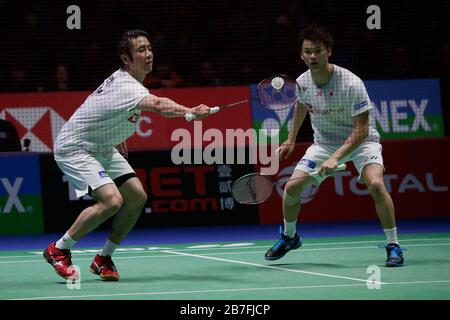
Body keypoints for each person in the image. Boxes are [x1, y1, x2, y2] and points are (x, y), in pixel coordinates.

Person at [43, 29, 212, 281]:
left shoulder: (129, 84)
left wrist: (117, 135)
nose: (148, 54)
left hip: (100, 145)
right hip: (76, 147)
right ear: (126, 58)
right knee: (111, 200)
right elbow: (157, 105)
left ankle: (103, 258)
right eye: (141, 50)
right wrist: (190, 112)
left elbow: (105, 108)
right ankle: (59, 249)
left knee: (136, 196)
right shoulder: (126, 86)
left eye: (149, 48)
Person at [264, 24, 405, 267]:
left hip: (362, 142)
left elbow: (361, 130)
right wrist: (291, 138)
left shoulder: (351, 83)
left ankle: (393, 245)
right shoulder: (302, 82)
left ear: (328, 51)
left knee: (376, 184)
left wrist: (336, 158)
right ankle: (289, 237)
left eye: (317, 51)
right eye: (307, 52)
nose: (312, 56)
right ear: (301, 54)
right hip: (324, 144)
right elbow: (300, 105)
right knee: (291, 189)